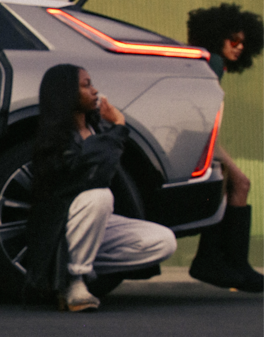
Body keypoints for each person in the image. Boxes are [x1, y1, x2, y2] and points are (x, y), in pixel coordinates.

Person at [25, 64, 177, 311]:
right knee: (99, 196)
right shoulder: (52, 138)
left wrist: (112, 129)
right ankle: (75, 281)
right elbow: (91, 171)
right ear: (66, 93)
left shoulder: (97, 130)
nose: (95, 91)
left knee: (163, 241)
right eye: (86, 85)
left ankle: (69, 267)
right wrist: (118, 127)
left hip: (95, 225)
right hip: (63, 229)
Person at [185, 3, 264, 292]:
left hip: (198, 141)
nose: (240, 47)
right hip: (200, 142)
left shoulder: (210, 64)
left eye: (244, 42)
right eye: (234, 41)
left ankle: (227, 263)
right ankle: (222, 262)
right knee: (239, 182)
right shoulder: (213, 64)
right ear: (216, 37)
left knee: (235, 183)